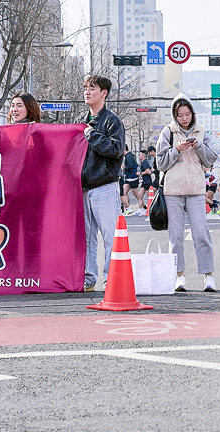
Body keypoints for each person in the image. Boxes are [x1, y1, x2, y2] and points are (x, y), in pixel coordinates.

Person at [156, 94, 218, 292]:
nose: (184, 118)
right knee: (175, 237)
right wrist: (176, 150)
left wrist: (199, 146)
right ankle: (179, 276)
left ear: (192, 113)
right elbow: (160, 163)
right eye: (180, 115)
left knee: (201, 234)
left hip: (197, 191)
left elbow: (210, 159)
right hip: (172, 191)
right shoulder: (168, 132)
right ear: (175, 115)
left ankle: (208, 276)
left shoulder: (201, 131)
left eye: (187, 114)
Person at [81, 75, 126, 293]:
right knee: (87, 237)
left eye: (92, 88)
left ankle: (112, 278)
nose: (87, 92)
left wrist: (92, 135)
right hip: (83, 188)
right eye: (86, 88)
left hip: (105, 186)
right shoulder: (82, 120)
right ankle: (89, 278)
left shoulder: (111, 121)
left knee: (110, 235)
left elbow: (116, 150)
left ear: (104, 93)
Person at [122, 144, 146, 215]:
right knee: (123, 192)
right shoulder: (128, 156)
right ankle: (128, 209)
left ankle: (144, 207)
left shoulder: (129, 156)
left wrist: (124, 167)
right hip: (128, 177)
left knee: (136, 195)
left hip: (132, 177)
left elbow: (132, 166)